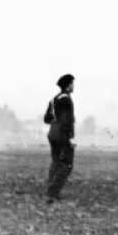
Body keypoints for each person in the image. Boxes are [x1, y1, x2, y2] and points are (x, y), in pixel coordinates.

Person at [44, 74, 76, 202]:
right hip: (62, 135)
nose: (73, 86)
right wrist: (70, 138)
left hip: (52, 133)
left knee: (56, 161)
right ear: (68, 86)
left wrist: (55, 121)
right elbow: (66, 121)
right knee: (66, 164)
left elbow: (46, 119)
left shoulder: (53, 99)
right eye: (72, 84)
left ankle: (50, 189)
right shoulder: (66, 99)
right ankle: (53, 191)